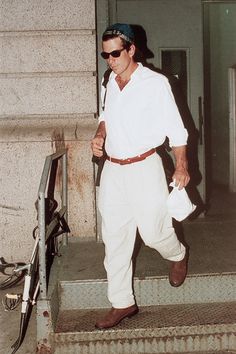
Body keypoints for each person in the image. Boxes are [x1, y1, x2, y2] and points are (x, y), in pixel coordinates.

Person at [91, 23, 190, 330]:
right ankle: (122, 302)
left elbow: (176, 129)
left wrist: (181, 165)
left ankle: (178, 254)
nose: (110, 60)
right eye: (105, 55)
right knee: (115, 238)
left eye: (116, 53)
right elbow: (106, 115)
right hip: (114, 170)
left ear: (132, 49)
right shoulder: (110, 80)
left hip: (145, 166)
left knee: (154, 232)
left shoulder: (155, 83)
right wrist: (99, 133)